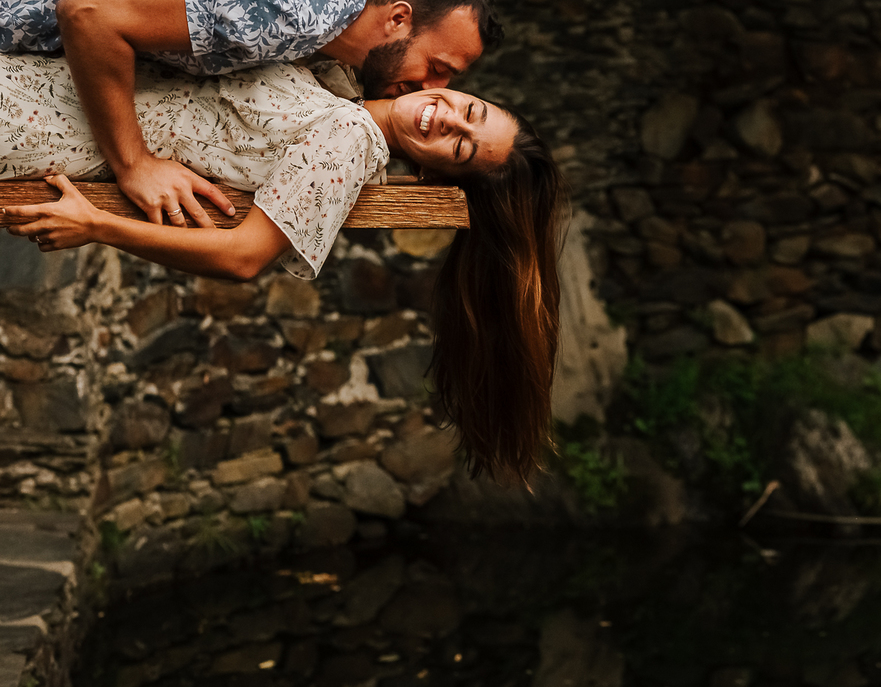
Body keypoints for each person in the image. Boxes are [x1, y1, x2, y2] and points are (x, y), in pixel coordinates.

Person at [0, 52, 567, 486]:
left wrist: (97, 226)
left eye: (461, 149)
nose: (448, 121)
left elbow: (244, 258)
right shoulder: (343, 85)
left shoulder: (354, 142)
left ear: (439, 175)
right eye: (472, 111)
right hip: (32, 77)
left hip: (29, 130)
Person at [0, 0, 503, 229]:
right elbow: (90, 14)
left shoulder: (325, 15)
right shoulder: (292, 3)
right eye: (437, 69)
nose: (427, 89)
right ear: (397, 19)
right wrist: (135, 164)